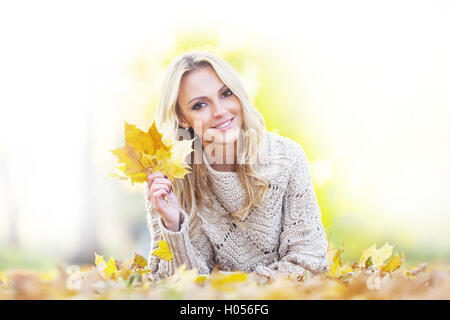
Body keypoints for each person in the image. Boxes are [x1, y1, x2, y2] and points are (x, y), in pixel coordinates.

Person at [145, 51, 328, 281]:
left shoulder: (287, 158)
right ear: (183, 118)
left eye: (226, 94)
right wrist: (173, 226)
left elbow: (308, 260)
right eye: (200, 105)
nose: (220, 111)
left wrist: (237, 289)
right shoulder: (169, 179)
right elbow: (173, 285)